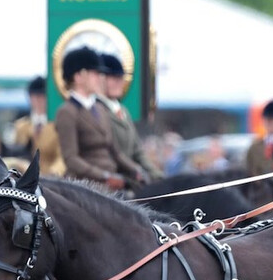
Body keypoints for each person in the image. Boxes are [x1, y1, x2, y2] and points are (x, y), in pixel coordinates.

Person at [54, 46, 142, 191]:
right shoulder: (67, 112)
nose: (100, 78)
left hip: (112, 182)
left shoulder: (101, 109)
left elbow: (115, 152)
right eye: (94, 73)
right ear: (78, 77)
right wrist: (105, 176)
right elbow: (71, 159)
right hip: (86, 187)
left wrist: (135, 169)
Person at [96, 53, 163, 182]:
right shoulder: (96, 110)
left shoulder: (124, 111)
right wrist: (136, 171)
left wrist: (156, 175)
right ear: (101, 79)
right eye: (114, 78)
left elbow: (137, 150)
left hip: (132, 177)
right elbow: (111, 152)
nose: (119, 82)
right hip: (112, 180)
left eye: (120, 78)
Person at [13, 76, 65, 175]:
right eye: (34, 96)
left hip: (50, 180)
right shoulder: (21, 126)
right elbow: (15, 154)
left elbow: (62, 157)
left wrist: (53, 173)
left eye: (42, 96)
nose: (38, 100)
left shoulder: (57, 126)